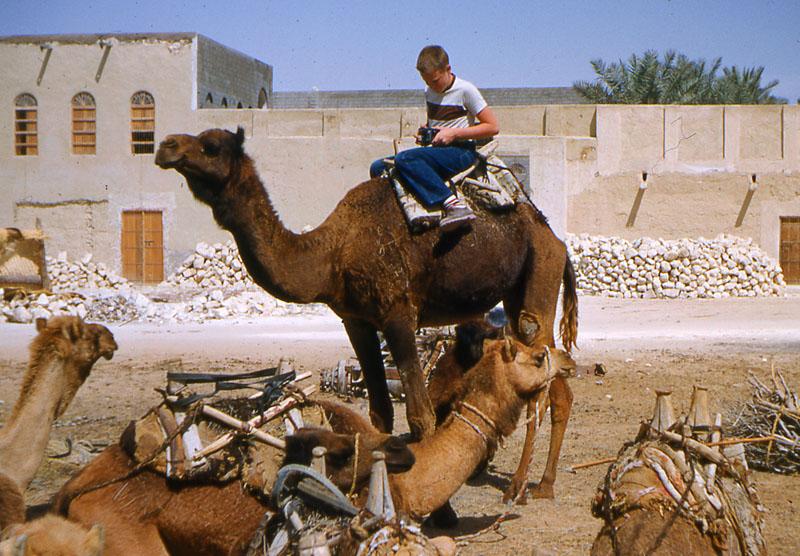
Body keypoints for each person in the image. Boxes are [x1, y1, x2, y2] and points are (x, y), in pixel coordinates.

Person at [370, 45, 500, 231]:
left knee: (405, 159)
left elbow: (493, 127)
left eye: (435, 80)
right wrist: (427, 130)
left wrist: (454, 133)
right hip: (437, 150)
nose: (433, 86)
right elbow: (438, 120)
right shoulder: (429, 91)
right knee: (377, 166)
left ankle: (453, 205)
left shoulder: (466, 90)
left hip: (460, 151)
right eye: (428, 81)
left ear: (448, 69)